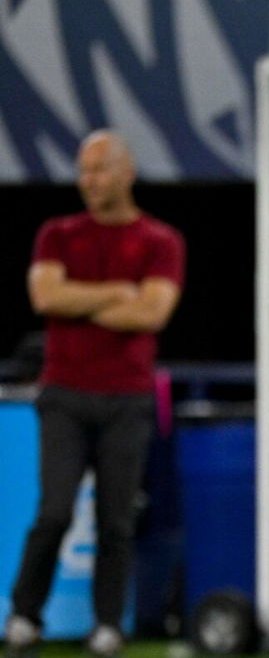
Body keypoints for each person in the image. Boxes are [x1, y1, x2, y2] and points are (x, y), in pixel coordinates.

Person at [3, 130, 185, 657]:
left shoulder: (160, 241)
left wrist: (76, 300)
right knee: (53, 513)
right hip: (64, 396)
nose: (89, 180)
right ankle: (23, 618)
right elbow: (44, 296)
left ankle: (108, 626)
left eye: (99, 169)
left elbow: (152, 312)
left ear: (126, 172)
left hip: (126, 398)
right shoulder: (57, 234)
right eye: (83, 170)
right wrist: (115, 293)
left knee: (117, 519)